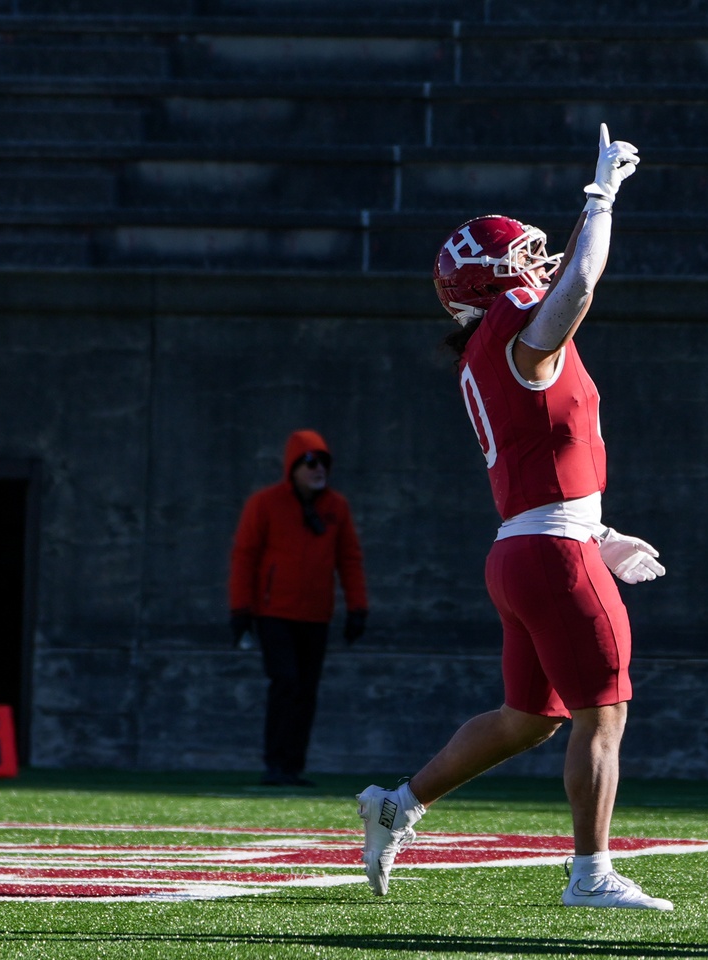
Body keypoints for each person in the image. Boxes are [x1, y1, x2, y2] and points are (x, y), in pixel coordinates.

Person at [358, 125, 673, 910]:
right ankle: (591, 872)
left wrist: (599, 529)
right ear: (494, 283)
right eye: (524, 260)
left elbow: (545, 450)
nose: (540, 265)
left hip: (529, 546)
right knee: (605, 710)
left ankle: (399, 802)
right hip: (551, 551)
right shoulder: (514, 336)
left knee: (531, 716)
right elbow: (579, 285)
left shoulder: (490, 346)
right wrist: (599, 198)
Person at [229, 429, 368, 786]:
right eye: (310, 462)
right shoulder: (265, 503)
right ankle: (275, 763)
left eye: (323, 462)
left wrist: (357, 608)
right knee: (285, 684)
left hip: (316, 615)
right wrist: (240, 610)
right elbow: (245, 556)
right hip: (274, 612)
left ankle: (293, 767)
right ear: (293, 467)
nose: (317, 468)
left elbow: (349, 558)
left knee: (306, 691)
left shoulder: (337, 507)